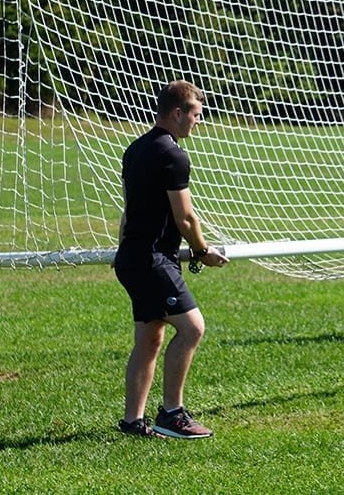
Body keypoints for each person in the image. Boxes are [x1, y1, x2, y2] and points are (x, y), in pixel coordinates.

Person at [114, 80, 228, 439]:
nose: (199, 121)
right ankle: (172, 414)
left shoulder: (136, 149)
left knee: (150, 338)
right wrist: (201, 251)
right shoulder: (173, 155)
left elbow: (128, 210)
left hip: (133, 257)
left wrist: (122, 249)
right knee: (193, 328)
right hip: (152, 259)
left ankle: (134, 422)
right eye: (196, 114)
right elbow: (187, 218)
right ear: (177, 113)